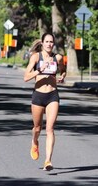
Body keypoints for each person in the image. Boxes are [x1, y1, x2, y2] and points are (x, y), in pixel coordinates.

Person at [24, 33, 66, 171]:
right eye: (47, 42)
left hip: (53, 95)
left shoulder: (58, 57)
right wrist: (39, 71)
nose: (49, 44)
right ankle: (34, 141)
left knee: (50, 129)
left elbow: (63, 70)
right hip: (38, 96)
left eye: (51, 42)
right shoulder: (36, 57)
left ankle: (48, 161)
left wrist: (62, 76)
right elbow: (26, 77)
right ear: (42, 43)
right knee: (37, 128)